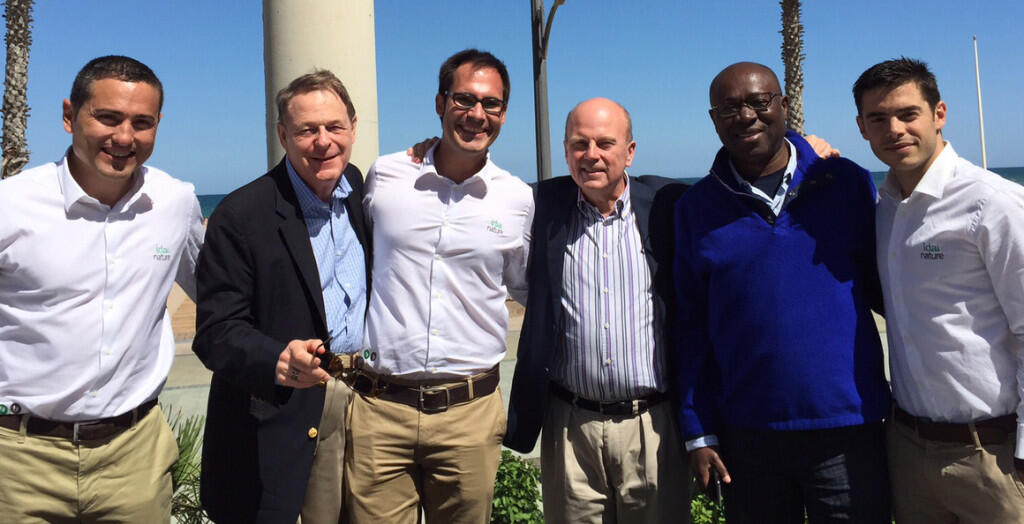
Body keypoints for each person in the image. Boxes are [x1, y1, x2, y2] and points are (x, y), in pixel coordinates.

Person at [672, 62, 891, 523]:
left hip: (848, 430)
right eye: (730, 108)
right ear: (714, 119)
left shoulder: (846, 183)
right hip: (747, 438)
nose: (746, 116)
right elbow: (691, 327)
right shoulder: (696, 208)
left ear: (784, 105)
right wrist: (698, 431)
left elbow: (890, 289)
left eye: (759, 101)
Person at [0, 55, 203, 522]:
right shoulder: (11, 205)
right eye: (107, 117)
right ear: (69, 115)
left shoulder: (175, 202)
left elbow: (219, 294)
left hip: (134, 458)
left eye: (141, 123)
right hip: (18, 459)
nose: (124, 137)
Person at [344, 48, 533, 524]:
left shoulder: (517, 199)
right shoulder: (386, 176)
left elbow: (528, 288)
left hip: (469, 414)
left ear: (504, 113)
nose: (477, 114)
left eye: (491, 104)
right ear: (440, 103)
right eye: (464, 99)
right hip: (379, 409)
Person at [193, 70, 371, 523]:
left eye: (334, 127)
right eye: (307, 130)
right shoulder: (240, 215)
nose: (323, 141)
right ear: (282, 135)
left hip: (368, 404)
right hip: (285, 412)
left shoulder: (358, 190)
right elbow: (216, 331)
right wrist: (276, 358)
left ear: (353, 127)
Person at [854, 57, 1024, 522]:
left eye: (908, 114)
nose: (895, 129)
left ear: (939, 114)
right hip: (909, 450)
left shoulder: (991, 202)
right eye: (878, 118)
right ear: (862, 128)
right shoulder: (885, 210)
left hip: (993, 455)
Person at [504, 97, 689, 523]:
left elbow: (737, 181)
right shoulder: (541, 206)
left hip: (652, 426)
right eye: (579, 144)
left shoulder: (668, 203)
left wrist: (804, 149)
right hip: (570, 429)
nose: (591, 155)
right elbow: (476, 188)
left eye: (605, 143)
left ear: (630, 151)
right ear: (566, 150)